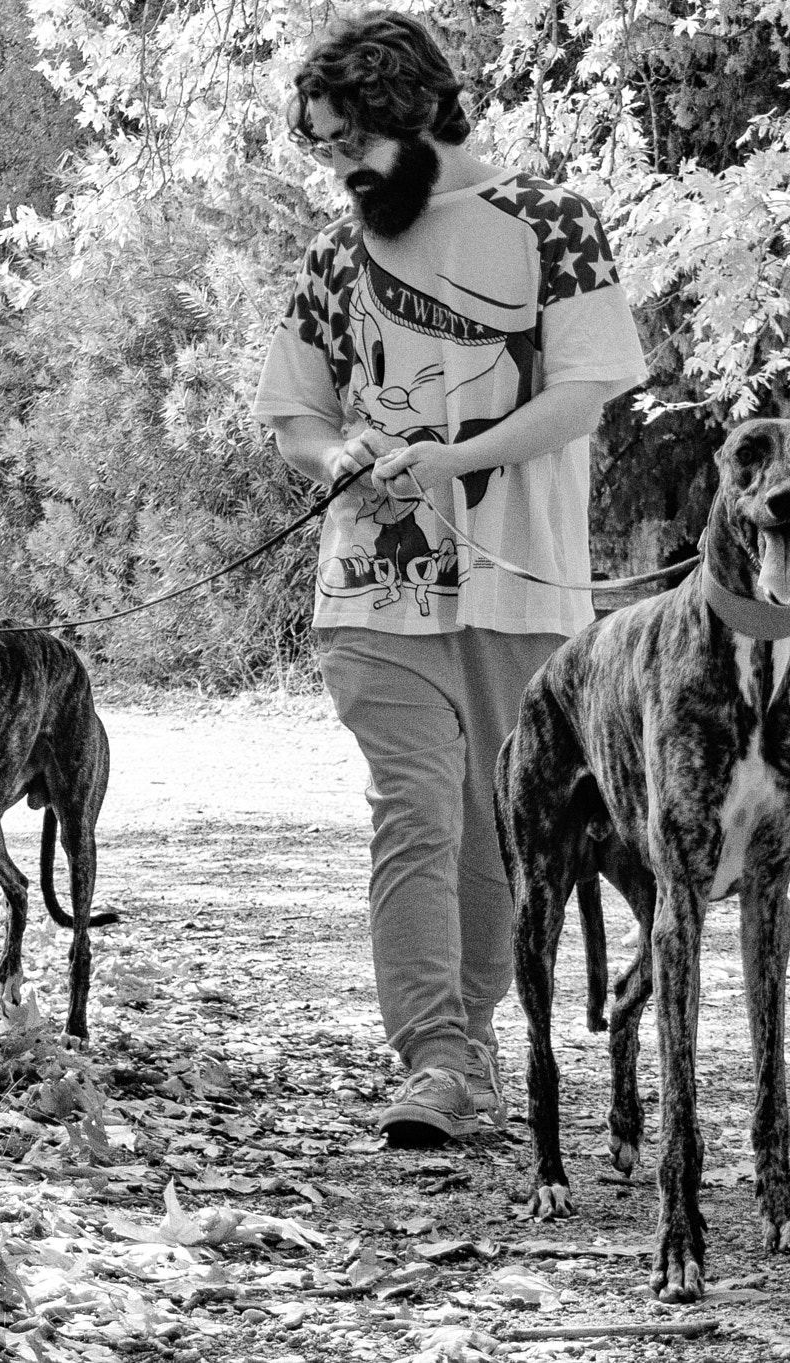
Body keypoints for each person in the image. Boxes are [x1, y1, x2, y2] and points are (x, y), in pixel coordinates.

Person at [252, 10, 647, 1147]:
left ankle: (479, 1038)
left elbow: (582, 392)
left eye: (348, 144)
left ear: (418, 116)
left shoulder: (551, 223)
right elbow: (294, 410)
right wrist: (340, 458)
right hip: (372, 590)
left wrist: (455, 458)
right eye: (320, 150)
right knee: (413, 810)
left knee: (499, 824)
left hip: (524, 586)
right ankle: (436, 1056)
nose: (338, 171)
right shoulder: (337, 252)